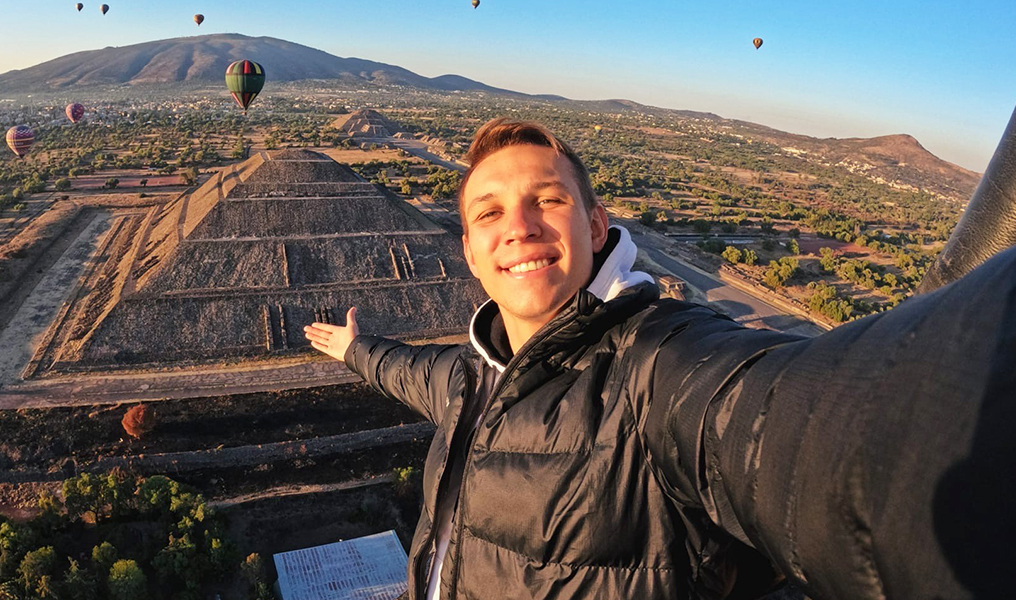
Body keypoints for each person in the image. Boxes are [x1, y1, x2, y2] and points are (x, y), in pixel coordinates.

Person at [303, 118, 1015, 600]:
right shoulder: (472, 373)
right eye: (489, 212)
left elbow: (819, 433)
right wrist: (356, 348)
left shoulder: (656, 365)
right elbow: (414, 374)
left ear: (596, 227)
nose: (517, 226)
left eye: (547, 200)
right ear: (467, 249)